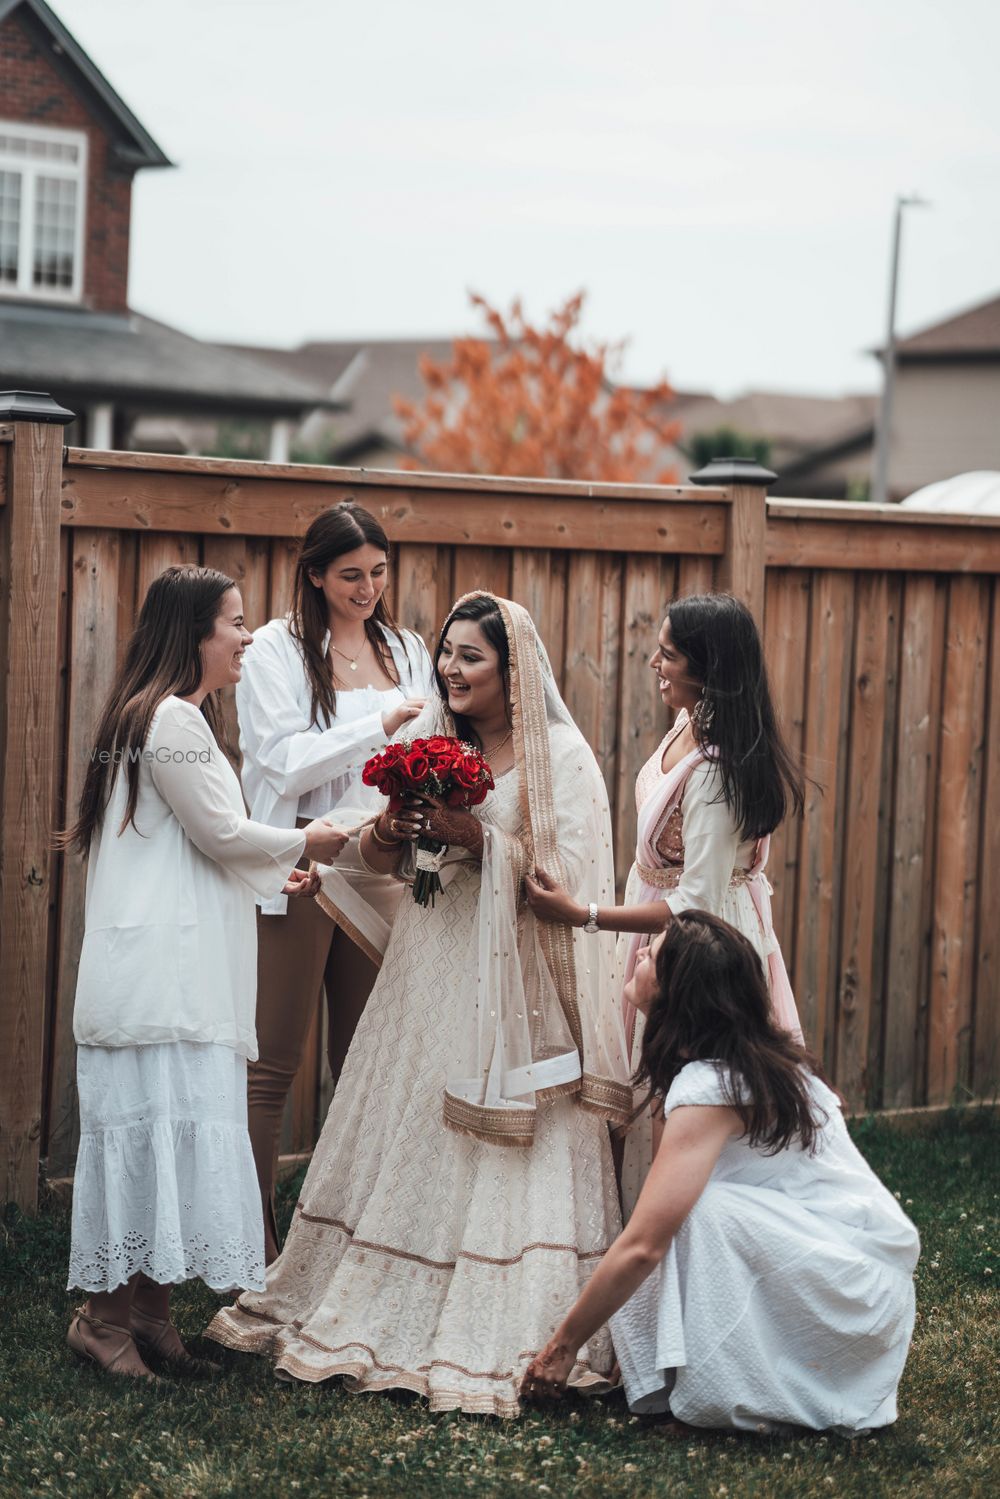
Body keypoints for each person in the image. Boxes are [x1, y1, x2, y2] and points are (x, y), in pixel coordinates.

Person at [207, 593, 631, 1416]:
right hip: (431, 964)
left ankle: (508, 1312)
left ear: (515, 672)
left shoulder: (564, 760)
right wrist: (396, 830)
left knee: (507, 1139)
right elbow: (374, 852)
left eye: (470, 658)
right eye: (446, 654)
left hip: (518, 980)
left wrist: (479, 839)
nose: (449, 669)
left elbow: (568, 879)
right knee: (409, 1119)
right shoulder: (428, 740)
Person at [62, 565, 347, 1379]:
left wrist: (274, 871)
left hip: (168, 971)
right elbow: (223, 831)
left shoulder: (156, 717)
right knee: (158, 1139)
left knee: (170, 1143)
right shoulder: (173, 720)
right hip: (164, 980)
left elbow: (194, 843)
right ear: (192, 631)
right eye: (234, 621)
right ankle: (103, 1319)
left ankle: (150, 1314)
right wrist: (306, 840)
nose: (247, 635)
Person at [522, 910, 920, 1435]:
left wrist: (560, 1349)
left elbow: (645, 1243)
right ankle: (688, 1377)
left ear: (678, 997)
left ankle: (722, 1399)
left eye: (654, 957)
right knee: (684, 1207)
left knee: (698, 1213)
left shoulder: (716, 1086)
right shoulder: (735, 1066)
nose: (639, 954)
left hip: (849, 1298)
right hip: (852, 1280)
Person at [525, 592, 805, 1200]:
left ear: (707, 671)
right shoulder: (688, 723)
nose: (655, 663)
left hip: (694, 950)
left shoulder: (715, 774)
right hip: (655, 932)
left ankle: (674, 1234)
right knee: (636, 1088)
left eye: (669, 654)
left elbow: (694, 904)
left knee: (676, 1093)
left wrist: (582, 914)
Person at [235, 500, 434, 1261]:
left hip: (382, 863)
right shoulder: (274, 653)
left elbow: (427, 746)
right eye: (350, 574)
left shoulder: (407, 649)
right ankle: (249, 1241)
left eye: (379, 572)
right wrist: (380, 720)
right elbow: (282, 759)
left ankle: (348, 1244)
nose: (367, 588)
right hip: (301, 865)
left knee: (363, 1060)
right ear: (314, 573)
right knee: (272, 1061)